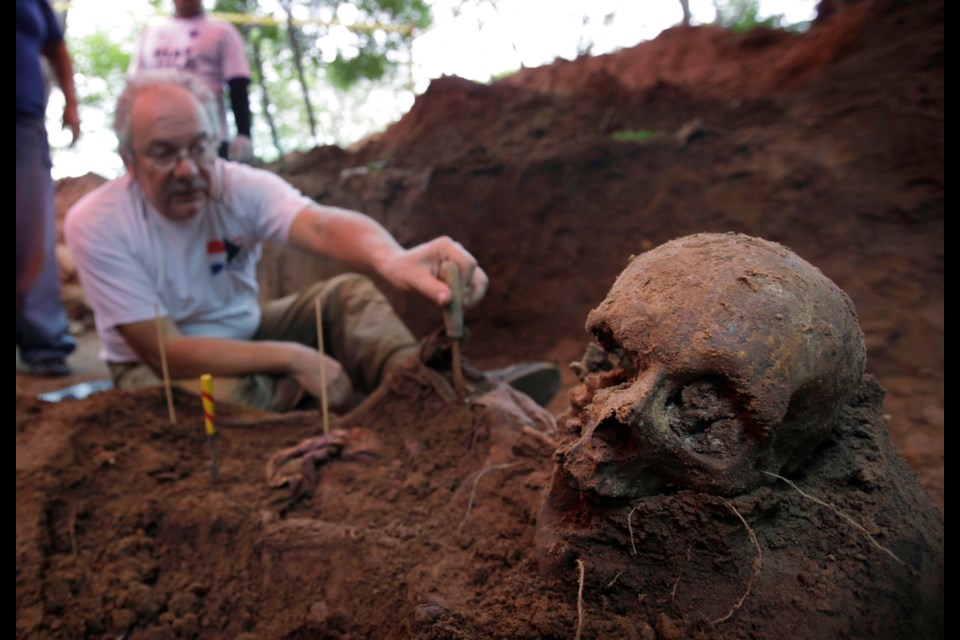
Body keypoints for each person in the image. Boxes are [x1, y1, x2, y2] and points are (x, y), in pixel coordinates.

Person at [64, 70, 560, 412]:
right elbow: (165, 352)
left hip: (249, 329)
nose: (189, 170)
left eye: (199, 147)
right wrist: (293, 357)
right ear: (128, 159)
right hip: (158, 372)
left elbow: (320, 224)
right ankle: (360, 424)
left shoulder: (238, 186)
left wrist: (390, 257)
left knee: (347, 297)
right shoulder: (98, 223)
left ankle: (430, 393)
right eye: (164, 154)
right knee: (230, 397)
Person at [16, 0, 80, 377]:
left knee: (32, 232)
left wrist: (71, 104)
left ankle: (45, 343)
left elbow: (56, 47)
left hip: (24, 121)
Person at [129, 0, 254, 163]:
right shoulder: (150, 35)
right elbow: (134, 87)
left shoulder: (222, 32)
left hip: (208, 135)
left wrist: (244, 133)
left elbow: (238, 84)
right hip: (158, 135)